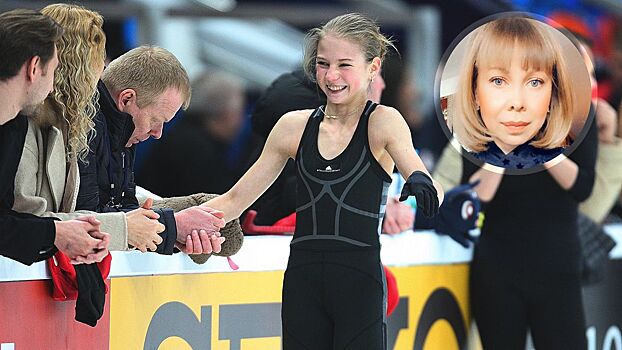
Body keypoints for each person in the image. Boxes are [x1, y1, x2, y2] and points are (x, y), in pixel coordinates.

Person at [201, 13, 443, 349]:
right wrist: (176, 221)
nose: (331, 76)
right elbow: (233, 200)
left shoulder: (383, 122)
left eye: (344, 65)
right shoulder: (293, 126)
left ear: (373, 68)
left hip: (359, 283)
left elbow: (421, 174)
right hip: (303, 282)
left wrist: (422, 183)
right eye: (322, 63)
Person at [448, 16, 597, 349]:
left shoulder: (577, 123)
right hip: (497, 268)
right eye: (502, 80)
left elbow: (582, 187)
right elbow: (475, 196)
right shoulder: (479, 131)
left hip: (558, 266)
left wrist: (546, 147)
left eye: (534, 82)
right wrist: (504, 144)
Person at [77, 46, 240, 258]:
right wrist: (173, 227)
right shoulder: (85, 131)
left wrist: (173, 235)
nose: (157, 133)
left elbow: (116, 212)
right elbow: (84, 219)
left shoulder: (123, 133)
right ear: (126, 99)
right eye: (156, 120)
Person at [0, 8, 108, 265]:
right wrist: (56, 232)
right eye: (54, 70)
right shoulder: (20, 130)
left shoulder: (12, 130)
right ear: (35, 67)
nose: (52, 86)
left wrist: (58, 233)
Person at [450, 16, 579, 170]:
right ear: (474, 92)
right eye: (498, 81)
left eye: (534, 82)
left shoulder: (572, 166)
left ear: (553, 95)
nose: (517, 103)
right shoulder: (456, 167)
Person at [136, 70, 261, 196]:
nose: (241, 121)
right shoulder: (198, 151)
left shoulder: (180, 133)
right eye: (239, 113)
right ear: (226, 115)